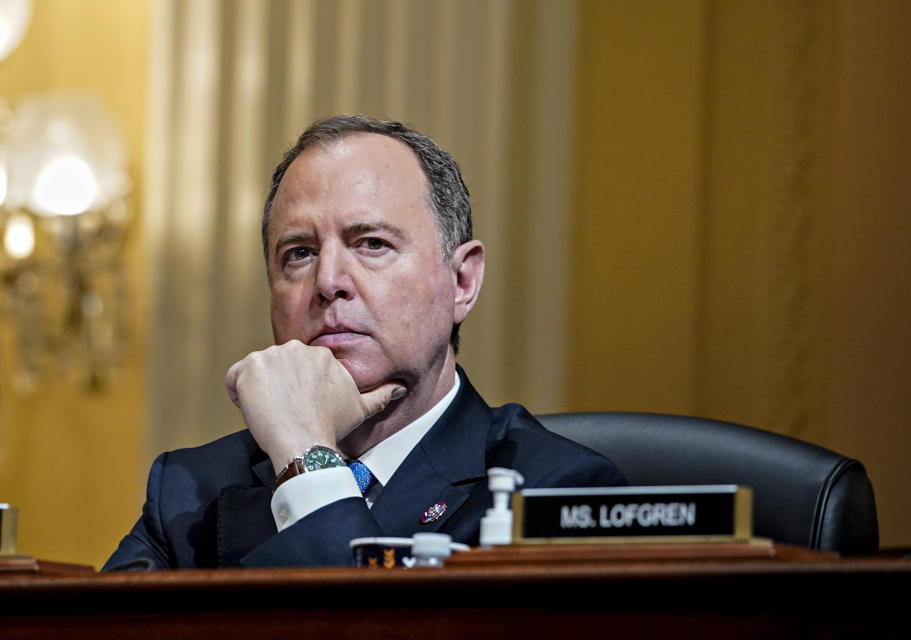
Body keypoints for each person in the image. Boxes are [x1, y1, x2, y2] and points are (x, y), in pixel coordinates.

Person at [103, 115, 627, 570]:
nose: (329, 279)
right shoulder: (191, 492)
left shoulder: (559, 491)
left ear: (462, 282)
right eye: (299, 253)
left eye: (371, 244)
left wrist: (307, 462)